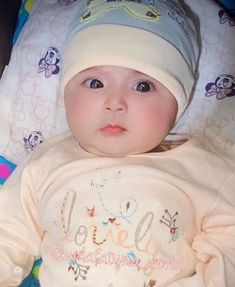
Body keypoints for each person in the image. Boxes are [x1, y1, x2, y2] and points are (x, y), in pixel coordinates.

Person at [0, 0, 235, 286]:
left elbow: (229, 249)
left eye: (143, 86)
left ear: (178, 105)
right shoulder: (47, 161)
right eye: (95, 83)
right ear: (65, 95)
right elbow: (7, 234)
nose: (115, 103)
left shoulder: (207, 171)